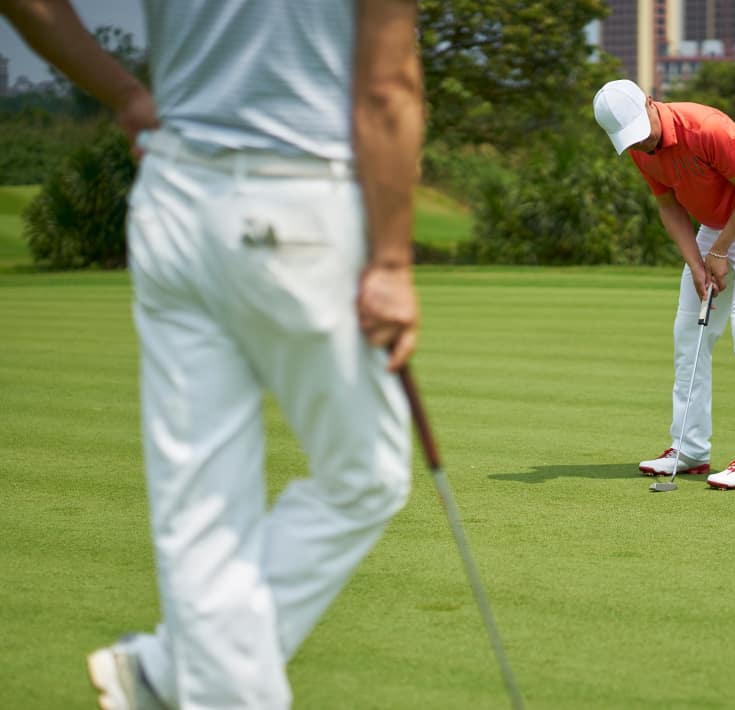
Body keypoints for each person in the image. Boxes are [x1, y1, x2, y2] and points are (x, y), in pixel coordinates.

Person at [1, 1, 423, 708]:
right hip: (298, 203)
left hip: (172, 199)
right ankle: (174, 670)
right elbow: (387, 85)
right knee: (366, 475)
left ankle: (168, 669)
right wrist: (389, 262)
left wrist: (128, 93)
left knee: (203, 516)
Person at [593, 79, 735, 490]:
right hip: (713, 228)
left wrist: (719, 253)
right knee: (689, 333)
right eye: (630, 140)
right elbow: (669, 207)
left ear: (651, 103)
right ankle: (689, 449)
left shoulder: (707, 127)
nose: (642, 144)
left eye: (642, 132)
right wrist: (698, 263)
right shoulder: (640, 150)